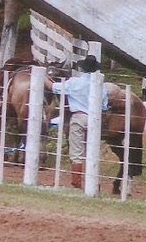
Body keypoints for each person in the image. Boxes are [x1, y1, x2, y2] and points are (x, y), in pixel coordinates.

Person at [45, 54, 109, 189]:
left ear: (83, 68)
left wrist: (43, 76)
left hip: (79, 117)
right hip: (95, 118)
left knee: (76, 150)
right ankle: (93, 182)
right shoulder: (100, 85)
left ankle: (77, 181)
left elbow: (52, 87)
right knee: (92, 149)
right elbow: (104, 106)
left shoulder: (74, 82)